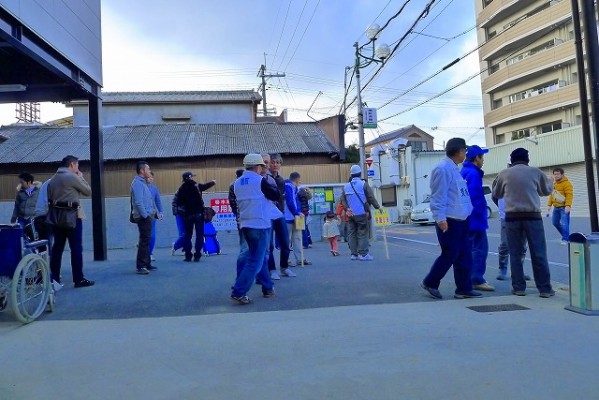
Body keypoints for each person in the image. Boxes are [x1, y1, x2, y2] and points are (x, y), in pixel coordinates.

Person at [420, 138, 481, 300]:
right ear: (460, 151)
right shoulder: (443, 169)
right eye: (464, 151)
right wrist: (440, 218)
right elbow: (438, 196)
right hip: (450, 219)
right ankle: (430, 282)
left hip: (461, 219)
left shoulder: (454, 168)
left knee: (464, 255)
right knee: (450, 254)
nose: (465, 154)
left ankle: (463, 288)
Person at [492, 147, 555, 298]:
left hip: (512, 217)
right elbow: (545, 191)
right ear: (527, 159)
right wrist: (551, 183)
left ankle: (518, 287)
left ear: (512, 160)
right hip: (533, 217)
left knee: (515, 253)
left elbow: (496, 194)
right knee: (538, 252)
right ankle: (545, 289)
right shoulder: (535, 172)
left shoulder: (504, 173)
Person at [230, 153, 279, 304]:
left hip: (245, 224)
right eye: (262, 166)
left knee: (258, 257)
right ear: (258, 167)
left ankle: (268, 288)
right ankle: (238, 291)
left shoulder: (237, 183)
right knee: (255, 262)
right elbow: (276, 195)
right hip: (260, 224)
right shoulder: (260, 180)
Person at [47, 155, 94, 288]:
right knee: (76, 249)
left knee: (57, 248)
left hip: (56, 218)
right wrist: (81, 176)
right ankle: (78, 279)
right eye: (77, 166)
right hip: (72, 217)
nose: (77, 168)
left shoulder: (53, 179)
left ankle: (54, 278)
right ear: (72, 164)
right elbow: (87, 191)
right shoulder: (71, 177)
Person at [460, 145, 495, 292]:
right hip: (475, 217)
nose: (483, 160)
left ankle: (469, 278)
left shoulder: (464, 171)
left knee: (469, 249)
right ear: (476, 158)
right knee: (480, 248)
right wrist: (479, 213)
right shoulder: (473, 174)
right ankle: (477, 279)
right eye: (482, 157)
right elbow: (475, 197)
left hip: (465, 217)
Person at [493, 158, 530, 281]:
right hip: (507, 217)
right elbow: (495, 196)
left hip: (524, 216)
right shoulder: (500, 178)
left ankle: (519, 271)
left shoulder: (526, 178)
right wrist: (503, 208)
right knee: (505, 244)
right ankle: (502, 268)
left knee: (522, 245)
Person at [262, 154, 295, 279]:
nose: (275, 165)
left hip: (279, 214)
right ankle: (272, 270)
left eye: (277, 162)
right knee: (269, 245)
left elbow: (281, 198)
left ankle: (284, 267)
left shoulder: (281, 180)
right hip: (267, 215)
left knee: (285, 243)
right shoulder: (264, 178)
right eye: (272, 162)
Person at [340, 165, 380, 261]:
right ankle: (363, 254)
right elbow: (370, 197)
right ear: (360, 173)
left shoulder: (346, 186)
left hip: (351, 214)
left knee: (352, 233)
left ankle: (354, 254)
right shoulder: (363, 184)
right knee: (362, 233)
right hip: (361, 213)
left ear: (351, 174)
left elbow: (342, 199)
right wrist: (377, 207)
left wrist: (347, 209)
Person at [175, 172, 215, 262]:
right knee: (199, 235)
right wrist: (213, 182)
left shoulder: (181, 189)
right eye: (192, 177)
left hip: (188, 215)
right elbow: (205, 186)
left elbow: (179, 202)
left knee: (188, 235)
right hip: (198, 214)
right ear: (190, 178)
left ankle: (188, 255)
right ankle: (197, 255)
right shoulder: (196, 186)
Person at [131, 161, 156, 275]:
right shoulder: (137, 183)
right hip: (143, 217)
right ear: (142, 171)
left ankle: (147, 263)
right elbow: (139, 202)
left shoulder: (143, 183)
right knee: (144, 241)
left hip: (147, 215)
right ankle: (140, 266)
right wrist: (145, 215)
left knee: (147, 239)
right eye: (148, 169)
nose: (149, 171)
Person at [285, 171, 312, 266]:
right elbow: (290, 201)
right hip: (289, 216)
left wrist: (298, 212)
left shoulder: (292, 187)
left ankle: (298, 259)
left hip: (293, 216)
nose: (300, 181)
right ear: (297, 179)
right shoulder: (290, 186)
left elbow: (295, 201)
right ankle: (289, 260)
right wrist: (297, 212)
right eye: (299, 179)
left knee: (295, 238)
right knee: (291, 239)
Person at [547, 167, 574, 245]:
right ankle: (566, 236)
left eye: (558, 174)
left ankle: (565, 239)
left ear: (562, 174)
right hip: (556, 207)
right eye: (554, 174)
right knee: (555, 222)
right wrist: (549, 205)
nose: (556, 176)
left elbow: (569, 195)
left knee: (565, 223)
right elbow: (552, 195)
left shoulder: (567, 184)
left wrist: (568, 206)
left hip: (564, 207)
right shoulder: (554, 184)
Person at [147, 172, 164, 261]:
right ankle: (144, 253)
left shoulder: (154, 188)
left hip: (152, 214)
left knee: (152, 235)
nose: (151, 179)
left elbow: (158, 201)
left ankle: (150, 253)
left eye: (152, 177)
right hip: (143, 215)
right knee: (145, 235)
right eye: (149, 177)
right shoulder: (142, 187)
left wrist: (161, 211)